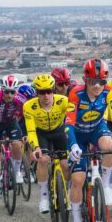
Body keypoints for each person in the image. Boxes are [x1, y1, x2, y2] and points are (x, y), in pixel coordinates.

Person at [65, 59, 112, 222]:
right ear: (84, 79)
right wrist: (73, 145)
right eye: (92, 81)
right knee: (78, 179)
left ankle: (105, 185)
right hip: (78, 135)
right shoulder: (75, 94)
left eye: (101, 82)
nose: (97, 86)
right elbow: (69, 124)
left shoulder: (109, 92)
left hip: (97, 128)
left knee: (110, 147)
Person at [23, 74, 70, 213]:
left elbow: (72, 120)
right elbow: (31, 130)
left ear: (53, 90)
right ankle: (43, 197)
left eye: (49, 91)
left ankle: (67, 192)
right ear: (36, 93)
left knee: (65, 163)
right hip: (41, 133)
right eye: (41, 92)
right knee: (43, 160)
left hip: (59, 131)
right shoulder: (29, 106)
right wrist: (36, 147)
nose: (46, 95)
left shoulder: (64, 101)